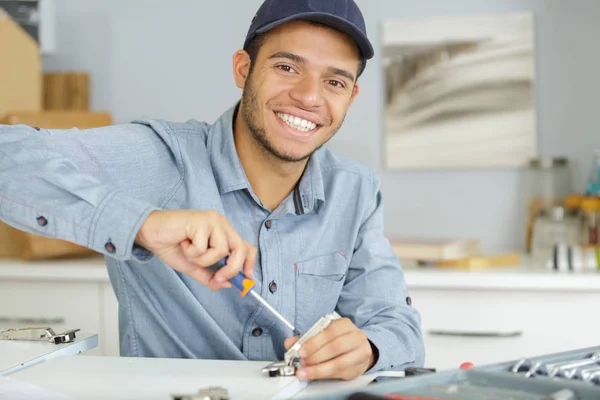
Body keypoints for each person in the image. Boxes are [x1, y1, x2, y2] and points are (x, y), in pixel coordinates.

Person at [0, 0, 424, 381]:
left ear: (351, 96)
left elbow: (396, 324)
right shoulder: (157, 158)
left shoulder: (356, 190)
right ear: (243, 69)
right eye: (287, 67)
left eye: (334, 82)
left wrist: (368, 349)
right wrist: (144, 224)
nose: (308, 96)